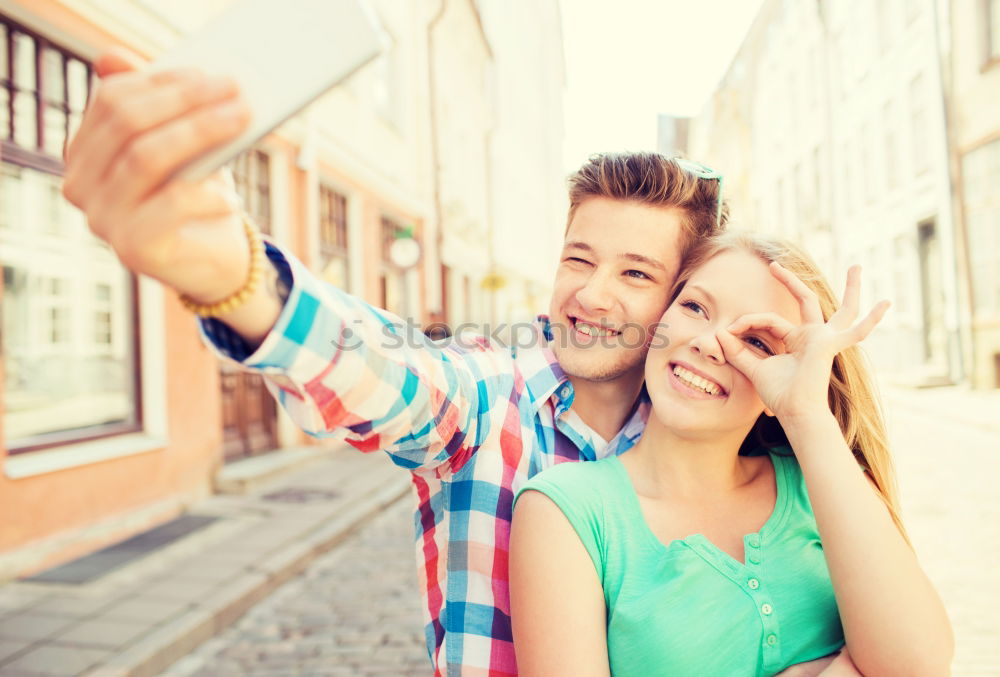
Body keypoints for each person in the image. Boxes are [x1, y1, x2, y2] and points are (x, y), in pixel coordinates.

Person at [61, 49, 839, 675]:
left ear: (679, 296)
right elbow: (385, 371)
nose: (591, 295)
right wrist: (234, 275)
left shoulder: (715, 427)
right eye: (578, 258)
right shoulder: (484, 395)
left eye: (636, 273)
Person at [509, 232, 954, 677]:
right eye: (695, 308)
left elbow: (918, 665)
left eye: (758, 342)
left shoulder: (825, 481)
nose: (708, 343)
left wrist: (805, 415)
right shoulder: (565, 511)